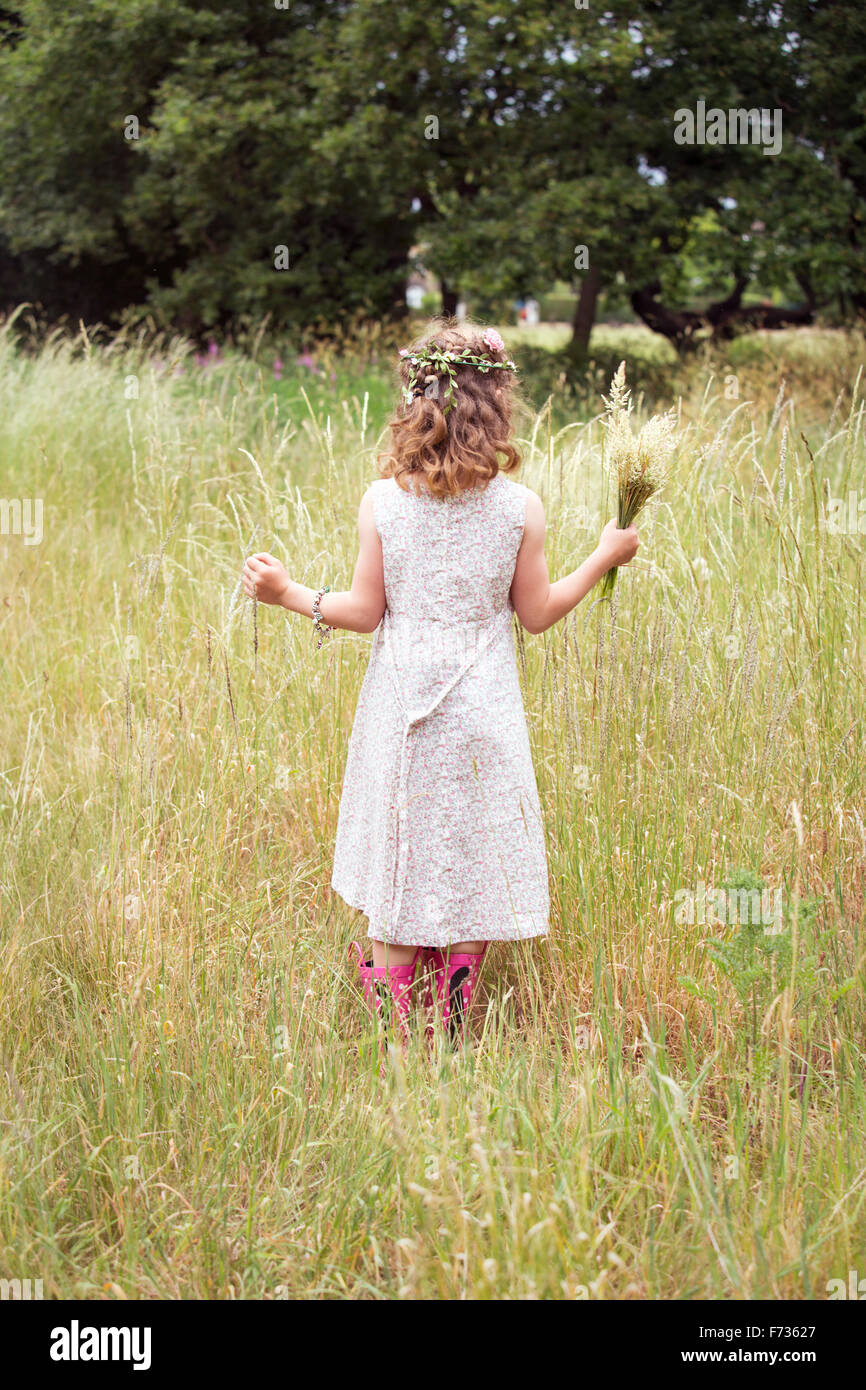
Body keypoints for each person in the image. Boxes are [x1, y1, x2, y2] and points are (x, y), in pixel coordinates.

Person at [242, 319, 638, 1059]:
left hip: (401, 704)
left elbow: (361, 614)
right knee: (471, 848)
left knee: (400, 849)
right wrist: (605, 555)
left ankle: (395, 1029)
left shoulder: (383, 502)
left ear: (416, 402)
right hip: (483, 706)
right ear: (496, 408)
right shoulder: (519, 508)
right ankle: (451, 1019)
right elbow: (539, 614)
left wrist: (286, 591)